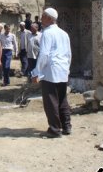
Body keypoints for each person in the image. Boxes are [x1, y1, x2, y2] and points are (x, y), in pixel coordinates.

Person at [31, 8, 72, 138]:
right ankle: (66, 126)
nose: (41, 18)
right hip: (62, 70)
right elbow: (69, 54)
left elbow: (44, 54)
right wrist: (67, 69)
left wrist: (36, 72)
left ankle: (55, 129)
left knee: (51, 101)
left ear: (49, 18)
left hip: (51, 71)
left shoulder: (47, 33)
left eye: (43, 16)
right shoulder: (64, 33)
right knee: (62, 99)